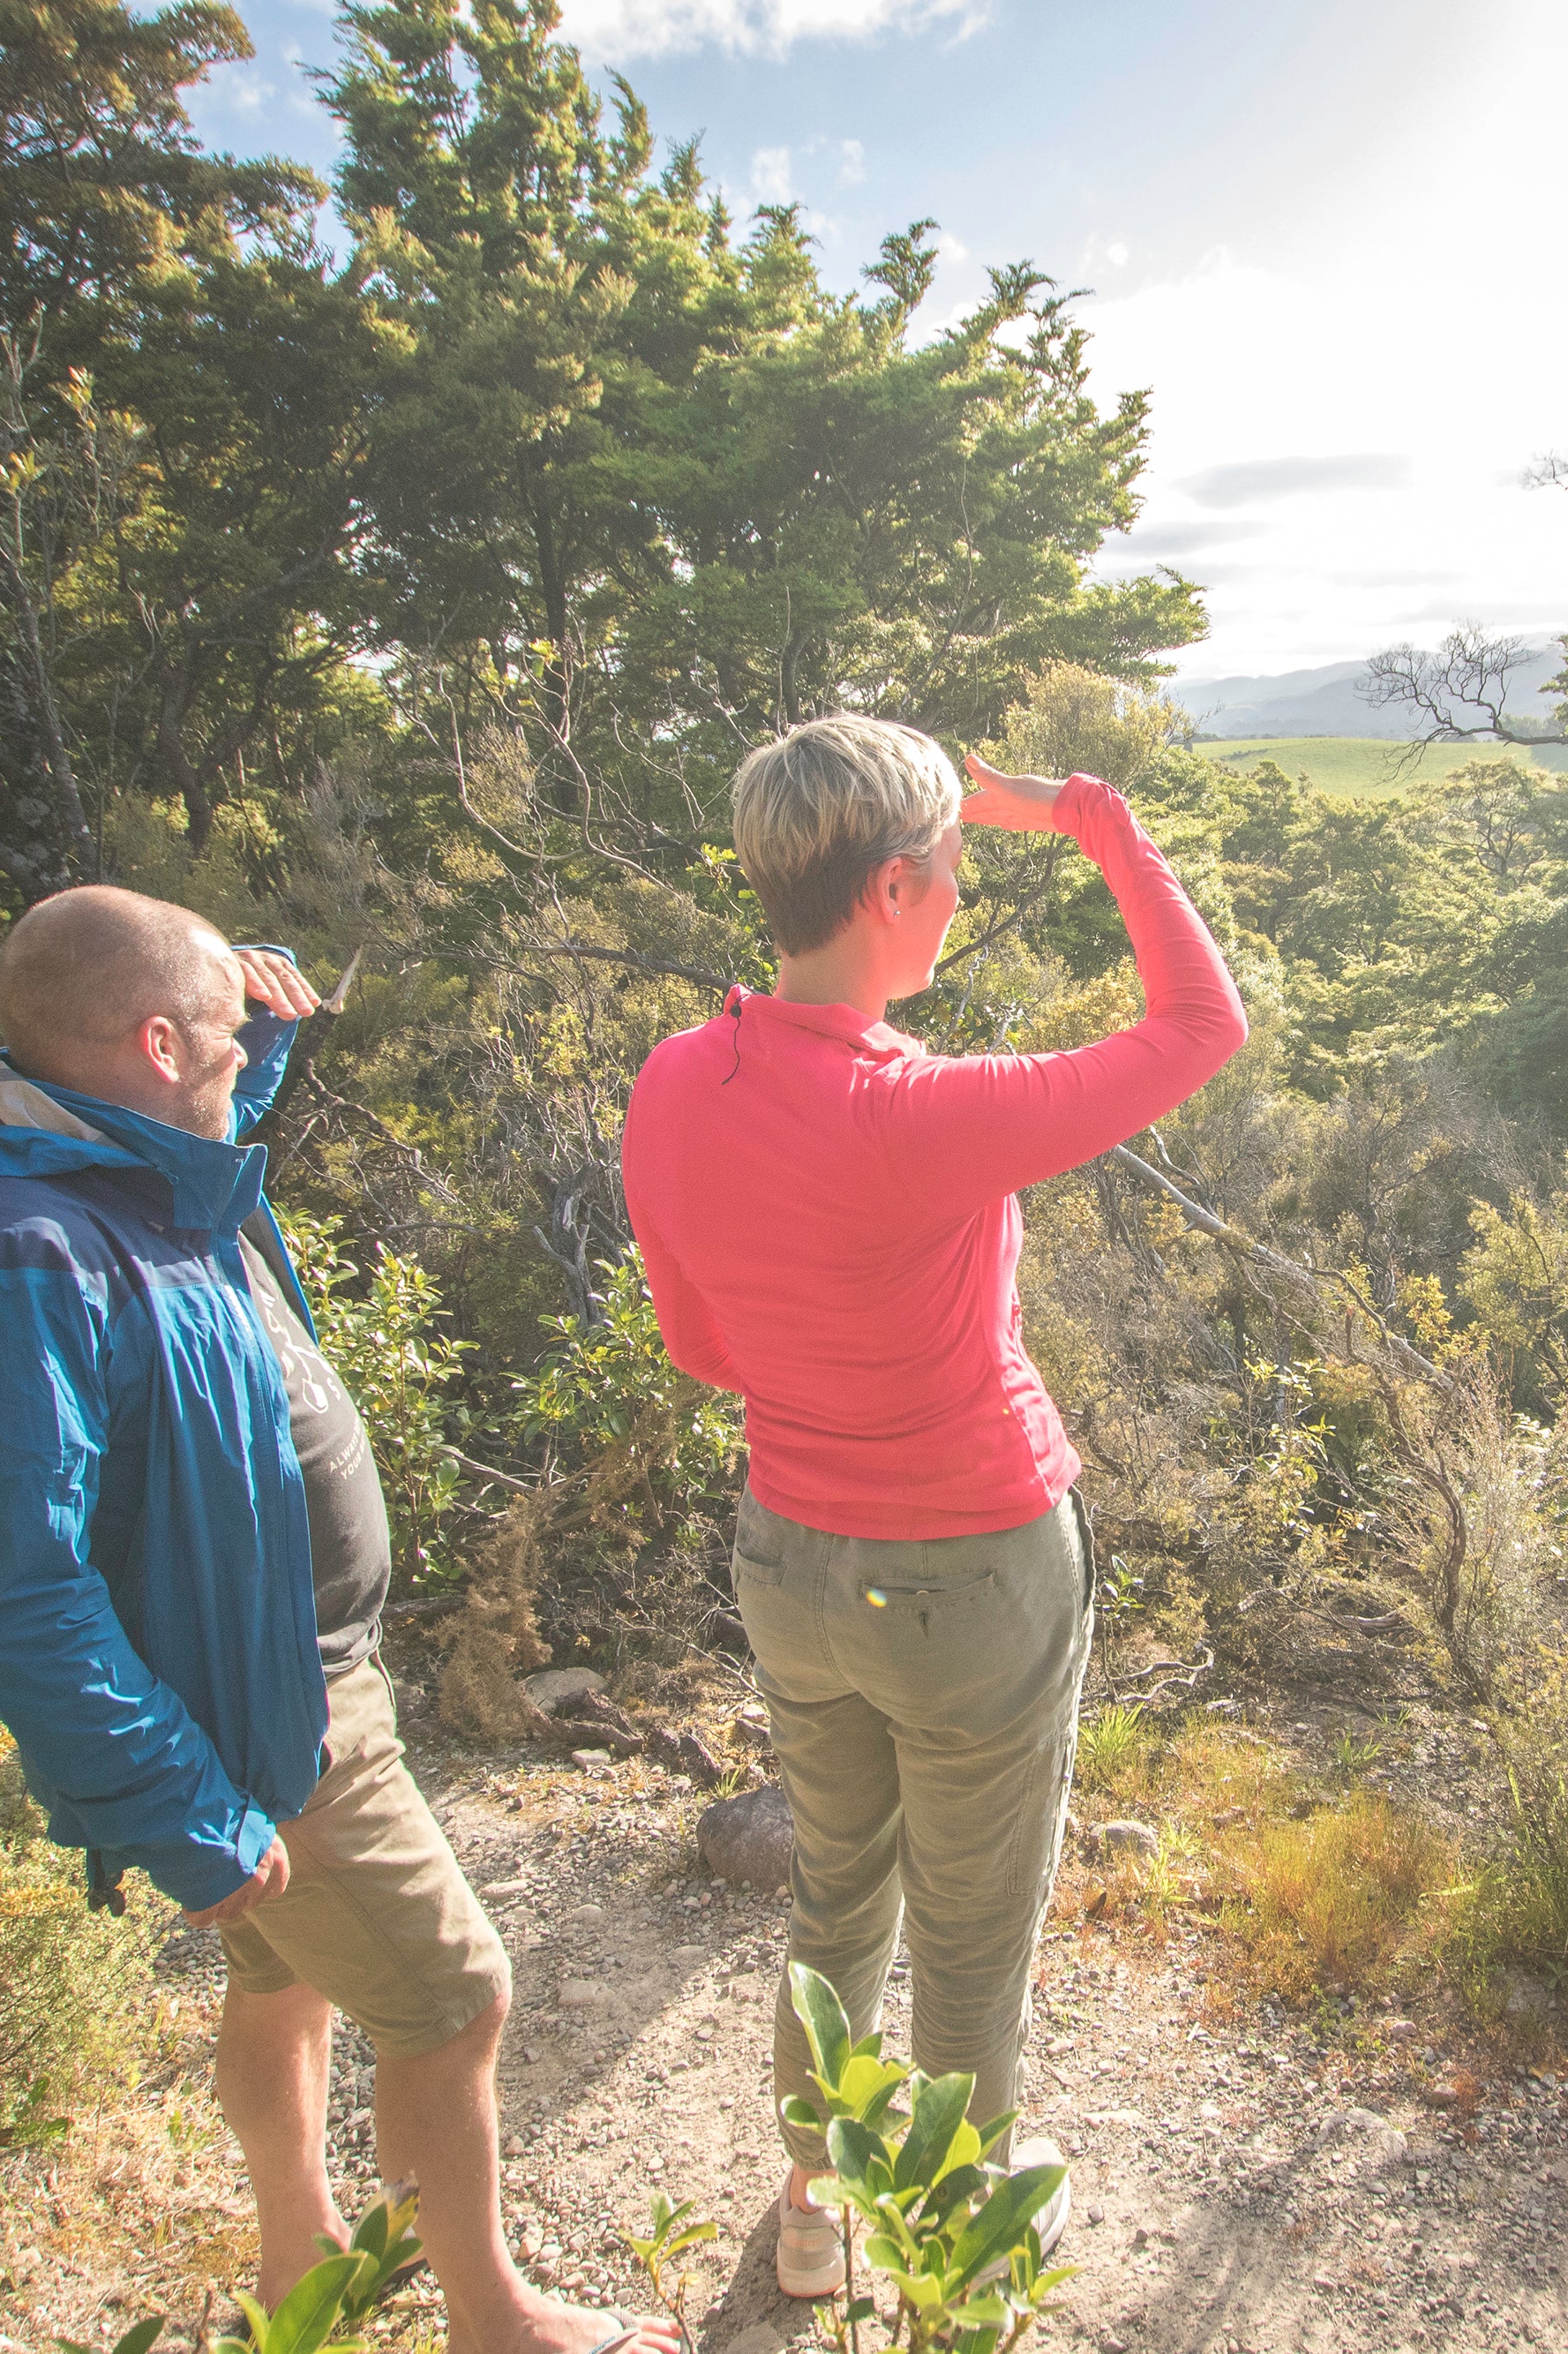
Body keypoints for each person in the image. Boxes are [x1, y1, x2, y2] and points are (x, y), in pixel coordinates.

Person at [0, 887, 679, 2354]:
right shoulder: (14, 1254)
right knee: (453, 1997)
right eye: (227, 1042)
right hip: (264, 1706)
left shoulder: (127, 1167)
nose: (247, 1067)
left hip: (294, 1671)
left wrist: (271, 1031)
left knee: (289, 1971)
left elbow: (201, 1122)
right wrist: (179, 1803)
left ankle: (300, 2266)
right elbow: (20, 1591)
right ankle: (497, 2323)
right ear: (158, 1040)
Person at [619, 716, 1246, 2298]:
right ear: (891, 886)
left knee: (840, 1889)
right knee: (973, 1934)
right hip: (970, 1565)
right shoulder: (923, 1113)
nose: (961, 899)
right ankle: (953, 2246)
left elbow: (702, 1347)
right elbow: (1199, 1024)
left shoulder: (681, 1079)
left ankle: (818, 2208)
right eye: (956, 872)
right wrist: (1095, 819)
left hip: (789, 1555)